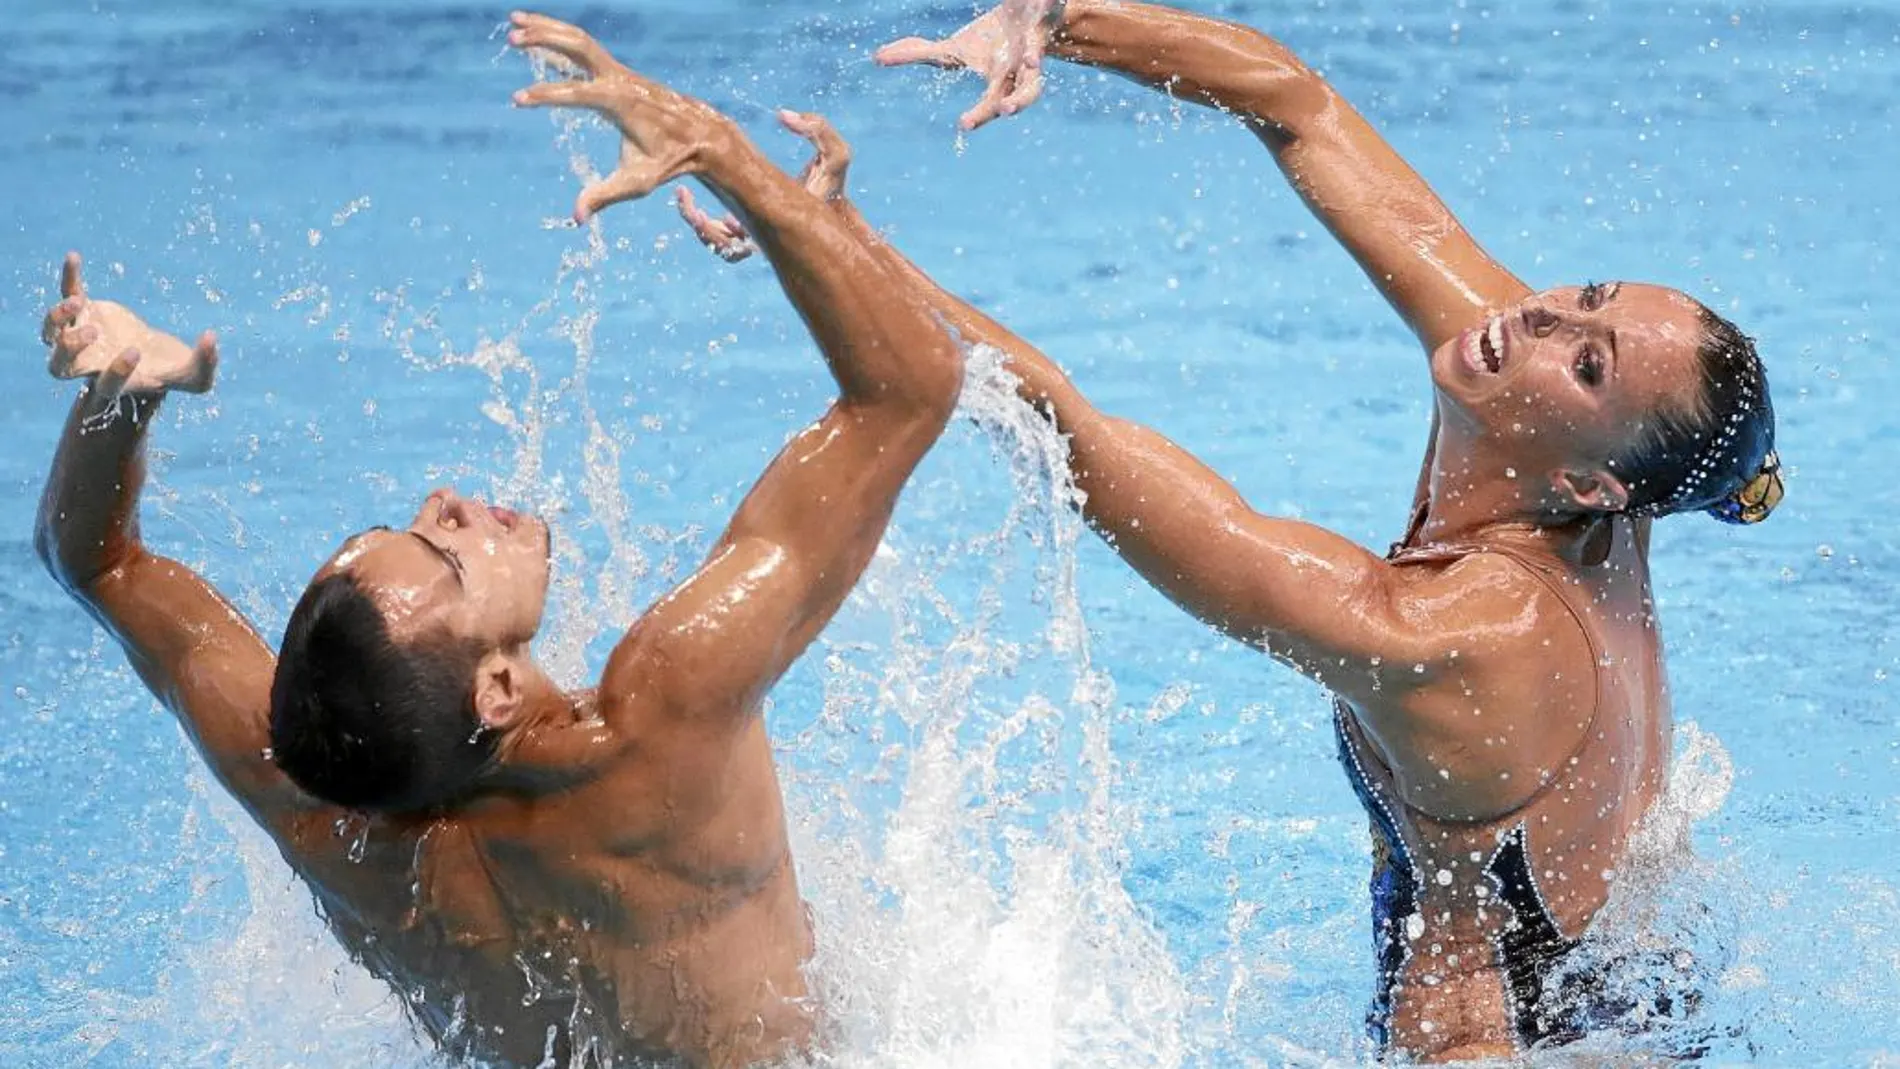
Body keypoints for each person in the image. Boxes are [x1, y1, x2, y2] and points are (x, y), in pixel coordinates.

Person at [751, 2, 1771, 1061]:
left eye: (1590, 359)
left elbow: (1070, 434)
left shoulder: (1461, 632)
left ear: (1590, 484)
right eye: (1586, 294)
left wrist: (837, 245)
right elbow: (1297, 105)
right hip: (1643, 981)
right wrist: (1053, 18)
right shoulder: (1557, 422)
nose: (1541, 318)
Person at [33, 13, 964, 1067]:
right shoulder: (663, 720)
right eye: (443, 550)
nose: (448, 501)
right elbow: (907, 393)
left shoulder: (321, 803)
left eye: (411, 523)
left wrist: (123, 402)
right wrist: (723, 152)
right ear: (497, 692)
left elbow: (95, 559)